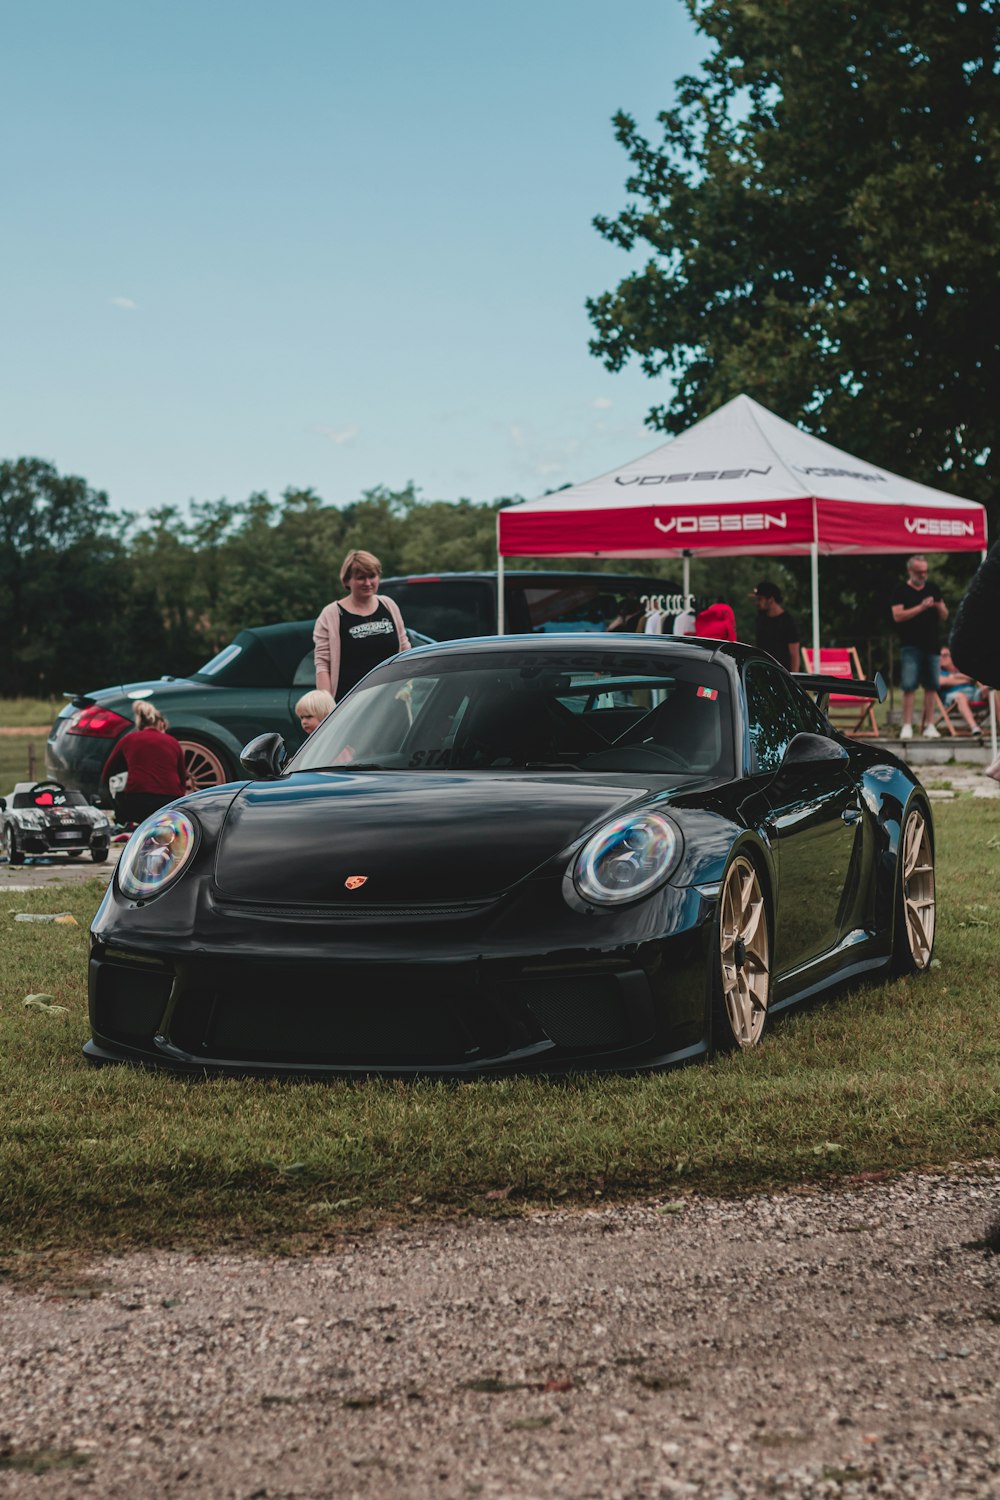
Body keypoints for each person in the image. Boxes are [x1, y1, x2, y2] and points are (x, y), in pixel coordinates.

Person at [313, 550, 411, 702]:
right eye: (361, 578)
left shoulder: (388, 605)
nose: (367, 583)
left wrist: (407, 686)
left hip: (392, 701)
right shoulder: (332, 614)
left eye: (372, 576)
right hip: (350, 705)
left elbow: (405, 651)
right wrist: (326, 706)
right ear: (347, 581)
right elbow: (323, 664)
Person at [101, 700, 188, 828]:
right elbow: (183, 778)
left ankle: (123, 822)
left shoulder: (129, 739)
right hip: (169, 803)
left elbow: (107, 773)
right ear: (161, 723)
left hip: (138, 802)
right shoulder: (173, 742)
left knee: (120, 790)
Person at [890, 554, 948, 740]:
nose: (923, 575)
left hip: (932, 645)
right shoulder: (901, 591)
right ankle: (907, 725)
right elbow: (898, 616)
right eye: (919, 572)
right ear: (910, 571)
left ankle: (929, 725)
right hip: (910, 645)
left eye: (925, 571)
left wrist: (938, 606)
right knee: (909, 686)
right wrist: (921, 607)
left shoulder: (933, 588)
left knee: (931, 686)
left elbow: (944, 615)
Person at [751, 580, 801, 672]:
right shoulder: (761, 620)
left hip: (783, 675)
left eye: (760, 599)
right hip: (764, 672)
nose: (757, 603)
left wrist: (794, 677)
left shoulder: (788, 622)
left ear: (771, 599)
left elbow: (794, 654)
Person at [937, 646, 982, 735]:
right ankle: (974, 727)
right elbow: (942, 681)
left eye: (945, 655)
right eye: (940, 656)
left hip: (973, 694)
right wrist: (965, 679)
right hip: (952, 698)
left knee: (989, 691)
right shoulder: (938, 671)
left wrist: (954, 677)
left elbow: (976, 676)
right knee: (961, 696)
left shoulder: (962, 668)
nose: (941, 658)